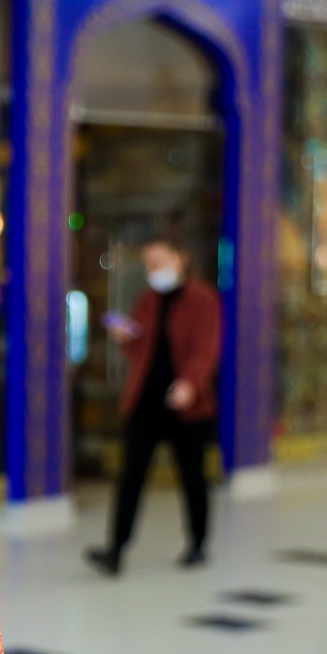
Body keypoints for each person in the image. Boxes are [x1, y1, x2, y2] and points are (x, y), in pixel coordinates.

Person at [86, 231, 222, 576]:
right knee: (131, 476)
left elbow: (206, 349)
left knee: (192, 476)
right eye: (148, 263)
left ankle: (198, 542)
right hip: (146, 401)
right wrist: (125, 337)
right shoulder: (147, 300)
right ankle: (116, 548)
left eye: (158, 261)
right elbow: (140, 349)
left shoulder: (203, 300)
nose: (152, 268)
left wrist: (190, 383)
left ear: (180, 258)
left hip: (187, 406)